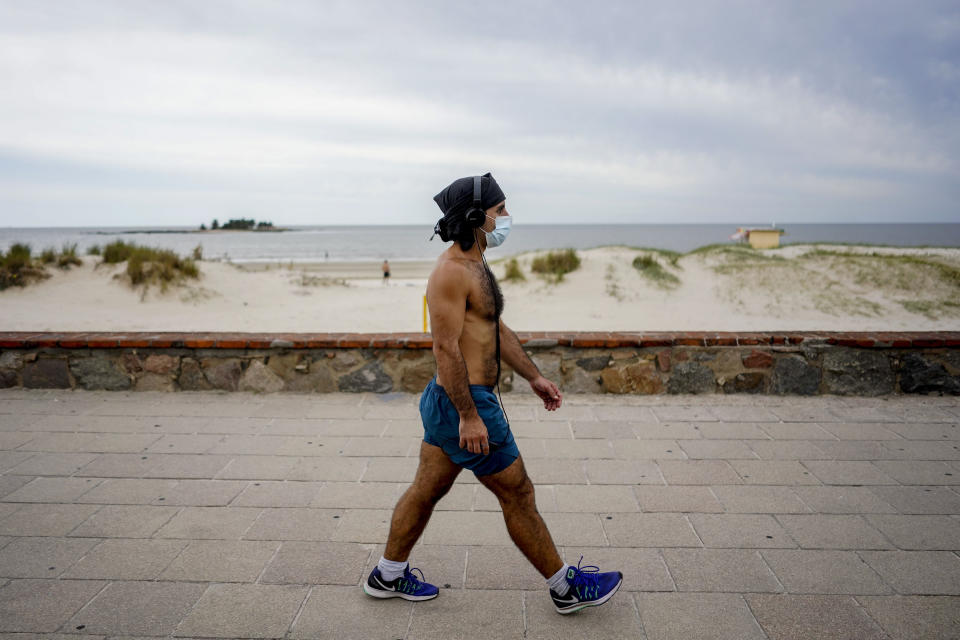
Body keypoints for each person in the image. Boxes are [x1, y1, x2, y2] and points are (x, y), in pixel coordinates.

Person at [362, 173, 622, 614]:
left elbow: (493, 329)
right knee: (517, 493)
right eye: (500, 211)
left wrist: (533, 377)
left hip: (453, 402)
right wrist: (469, 416)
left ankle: (386, 575)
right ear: (475, 216)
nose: (507, 218)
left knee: (426, 490)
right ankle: (565, 588)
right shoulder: (450, 272)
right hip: (464, 401)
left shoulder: (477, 264)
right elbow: (444, 347)